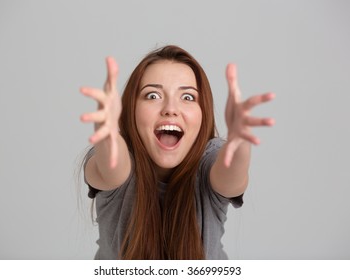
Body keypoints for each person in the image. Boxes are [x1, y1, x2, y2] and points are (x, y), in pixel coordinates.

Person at [79, 45, 275, 260]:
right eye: (152, 95)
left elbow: (230, 176)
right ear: (131, 109)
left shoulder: (209, 159)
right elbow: (113, 166)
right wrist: (107, 135)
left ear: (203, 112)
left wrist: (239, 142)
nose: (170, 108)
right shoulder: (116, 158)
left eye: (188, 97)